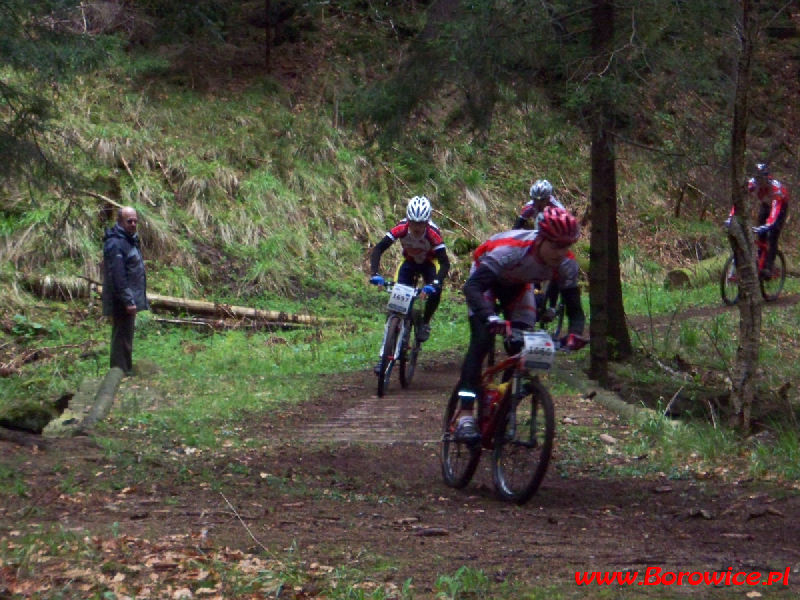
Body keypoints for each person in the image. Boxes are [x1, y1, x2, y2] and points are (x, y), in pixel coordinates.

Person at [453, 206, 586, 443]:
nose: (561, 252)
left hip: (518, 287)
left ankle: (502, 405)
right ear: (540, 239)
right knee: (482, 340)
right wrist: (490, 317)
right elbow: (472, 287)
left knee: (520, 345)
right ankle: (465, 414)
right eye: (556, 245)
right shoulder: (511, 251)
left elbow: (575, 309)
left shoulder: (566, 264)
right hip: (485, 282)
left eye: (567, 246)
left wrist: (575, 334)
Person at [369, 195, 450, 351]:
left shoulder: (433, 234)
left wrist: (435, 283)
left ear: (427, 222)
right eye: (413, 222)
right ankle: (389, 343)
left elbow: (445, 263)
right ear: (408, 219)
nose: (416, 227)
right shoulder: (402, 228)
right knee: (397, 303)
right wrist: (374, 273)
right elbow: (378, 249)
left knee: (436, 291)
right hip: (410, 261)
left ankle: (425, 323)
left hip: (429, 263)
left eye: (420, 224)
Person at [102, 206, 148, 376]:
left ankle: (124, 370)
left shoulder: (129, 240)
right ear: (120, 222)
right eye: (129, 221)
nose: (133, 224)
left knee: (126, 337)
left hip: (127, 298)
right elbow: (118, 276)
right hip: (120, 300)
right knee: (121, 337)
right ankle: (119, 372)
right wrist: (128, 300)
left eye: (135, 220)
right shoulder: (116, 243)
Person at [514, 178, 569, 313]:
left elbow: (566, 230)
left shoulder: (558, 209)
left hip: (555, 237)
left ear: (548, 198)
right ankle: (533, 292)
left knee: (556, 269)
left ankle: (552, 306)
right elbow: (517, 226)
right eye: (536, 200)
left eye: (542, 200)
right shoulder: (529, 206)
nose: (539, 204)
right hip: (537, 236)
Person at [746, 162, 789, 278]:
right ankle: (760, 263)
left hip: (780, 207)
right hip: (766, 205)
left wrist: (767, 225)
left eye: (762, 179)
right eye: (757, 179)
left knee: (773, 235)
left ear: (767, 178)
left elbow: (775, 213)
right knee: (761, 235)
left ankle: (769, 268)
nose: (759, 183)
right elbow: (740, 198)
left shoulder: (775, 189)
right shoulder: (753, 183)